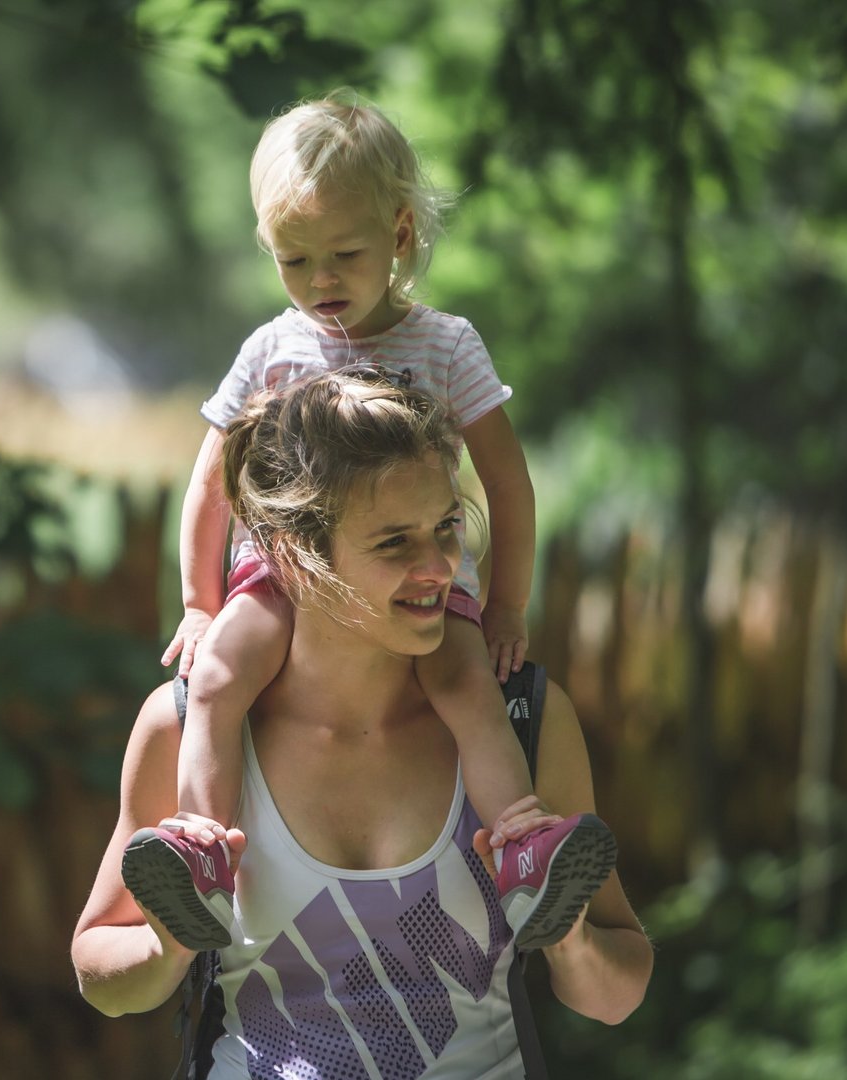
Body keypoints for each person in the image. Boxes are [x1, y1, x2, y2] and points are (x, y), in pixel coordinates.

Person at [73, 371, 650, 1076]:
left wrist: (572, 942)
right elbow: (99, 973)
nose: (440, 567)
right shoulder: (185, 724)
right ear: (291, 553)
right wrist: (167, 949)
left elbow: (617, 996)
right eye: (393, 543)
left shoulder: (522, 719)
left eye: (446, 529)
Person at [145, 89, 597, 951]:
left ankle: (524, 852)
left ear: (397, 235)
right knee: (214, 681)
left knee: (469, 688)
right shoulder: (271, 350)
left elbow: (507, 481)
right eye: (292, 260)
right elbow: (210, 485)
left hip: (419, 582)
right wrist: (201, 602)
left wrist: (503, 605)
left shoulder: (445, 346)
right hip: (281, 577)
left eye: (344, 254)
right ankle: (200, 859)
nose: (320, 282)